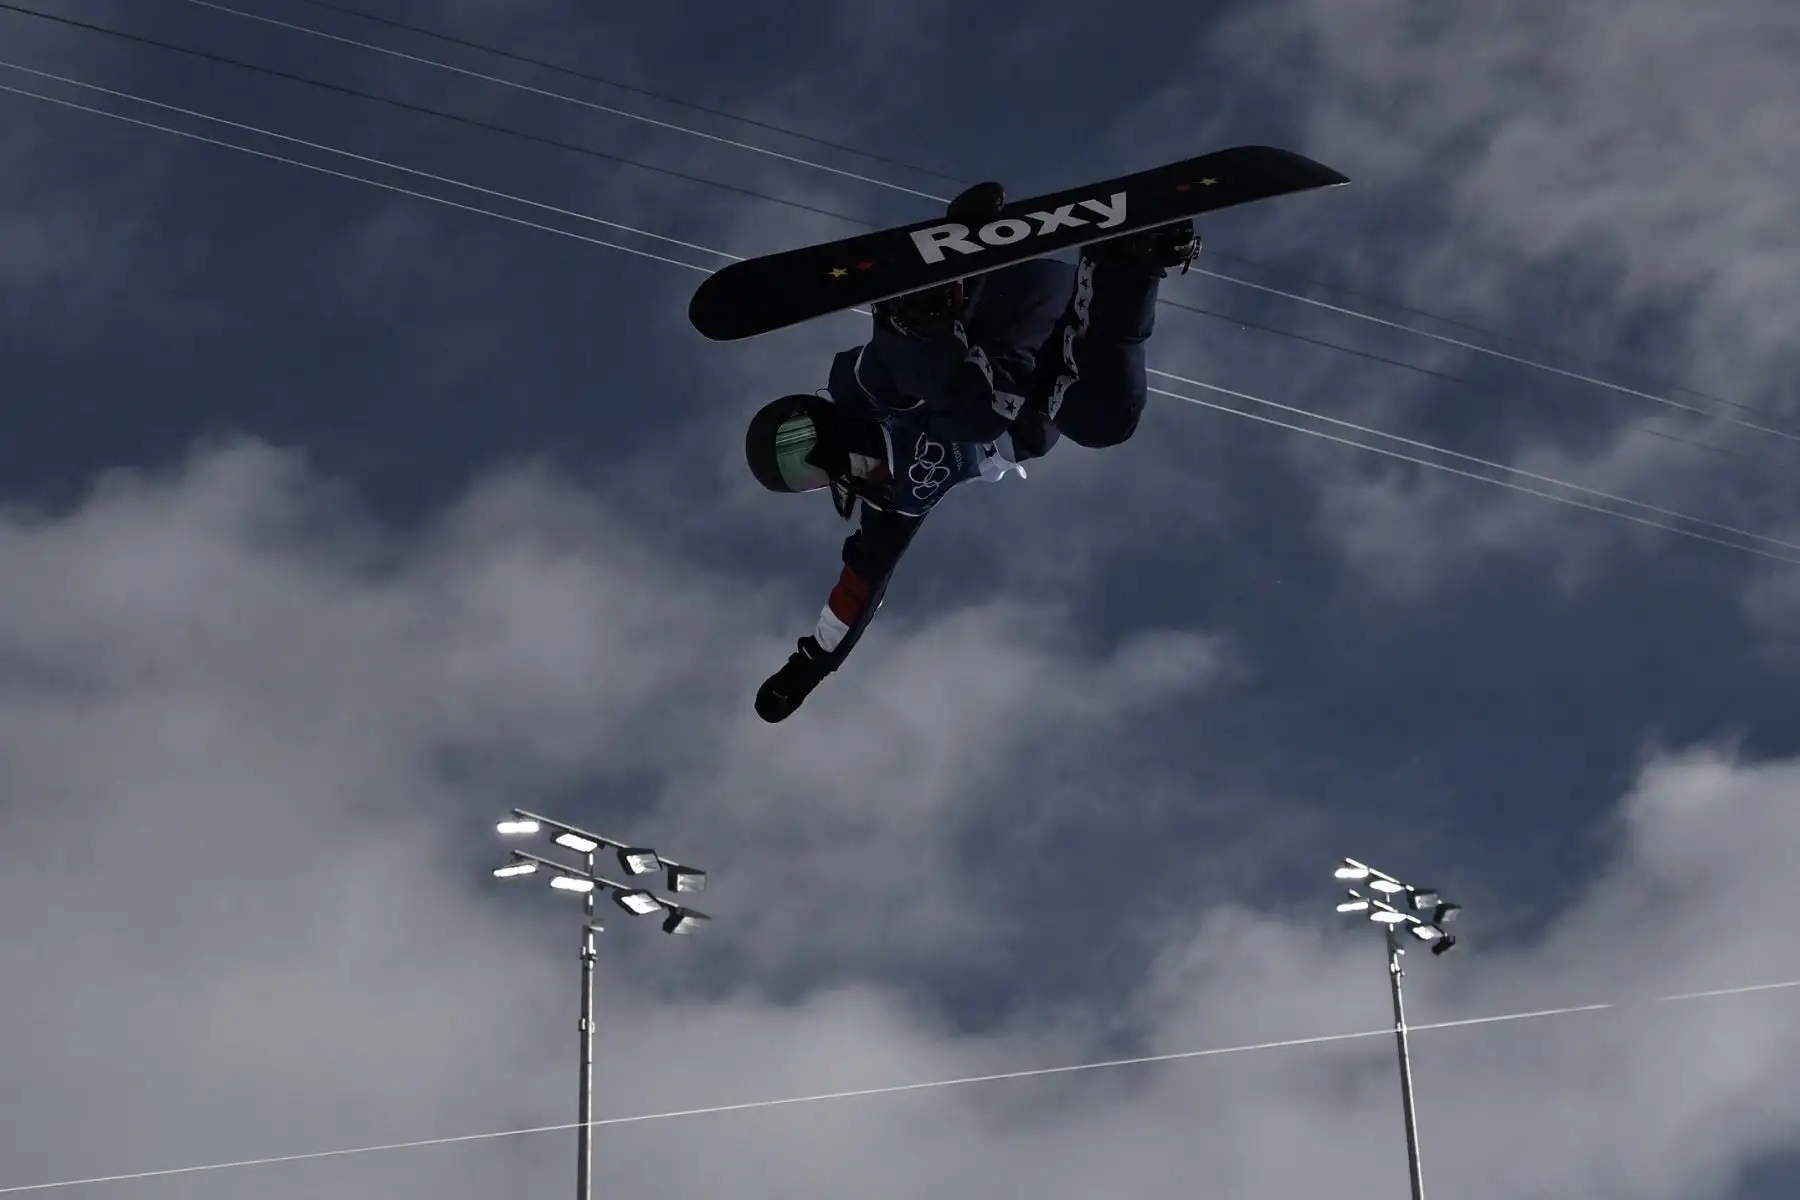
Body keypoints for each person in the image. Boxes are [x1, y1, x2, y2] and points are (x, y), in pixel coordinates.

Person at [743, 181, 1199, 723]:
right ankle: (1127, 261)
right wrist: (811, 665)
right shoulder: (896, 502)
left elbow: (888, 377)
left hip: (1004, 305)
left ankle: (921, 307)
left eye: (799, 443)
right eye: (799, 473)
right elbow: (859, 588)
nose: (812, 462)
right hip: (1053, 344)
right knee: (1103, 422)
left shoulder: (857, 393)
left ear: (812, 416)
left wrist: (953, 260)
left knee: (951, 406)